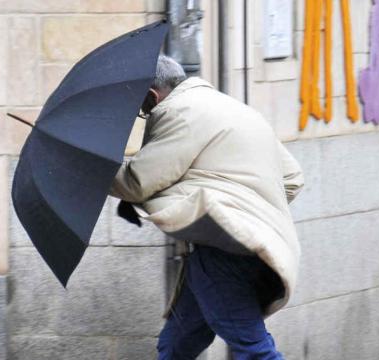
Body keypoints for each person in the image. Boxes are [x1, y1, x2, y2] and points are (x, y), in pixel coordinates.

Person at [109, 55, 304, 360]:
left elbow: (138, 183)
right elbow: (292, 178)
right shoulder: (231, 108)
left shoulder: (178, 112)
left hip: (224, 253)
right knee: (176, 345)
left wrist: (92, 169)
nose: (145, 113)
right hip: (254, 247)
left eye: (143, 108)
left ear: (152, 96)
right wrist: (249, 213)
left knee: (254, 350)